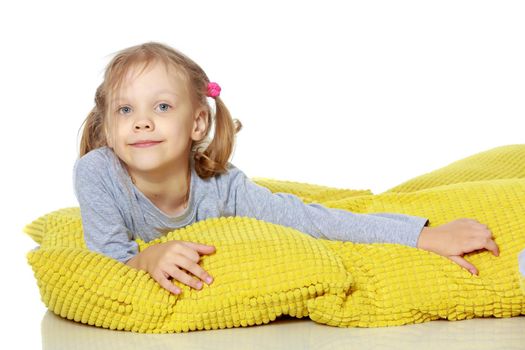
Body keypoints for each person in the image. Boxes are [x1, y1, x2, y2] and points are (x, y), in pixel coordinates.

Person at [73, 41, 500, 295]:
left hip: (263, 195)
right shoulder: (97, 174)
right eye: (125, 109)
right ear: (109, 127)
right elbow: (108, 261)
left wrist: (421, 235)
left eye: (162, 106)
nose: (142, 120)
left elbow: (307, 220)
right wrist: (146, 259)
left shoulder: (222, 187)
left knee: (296, 206)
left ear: (197, 122)